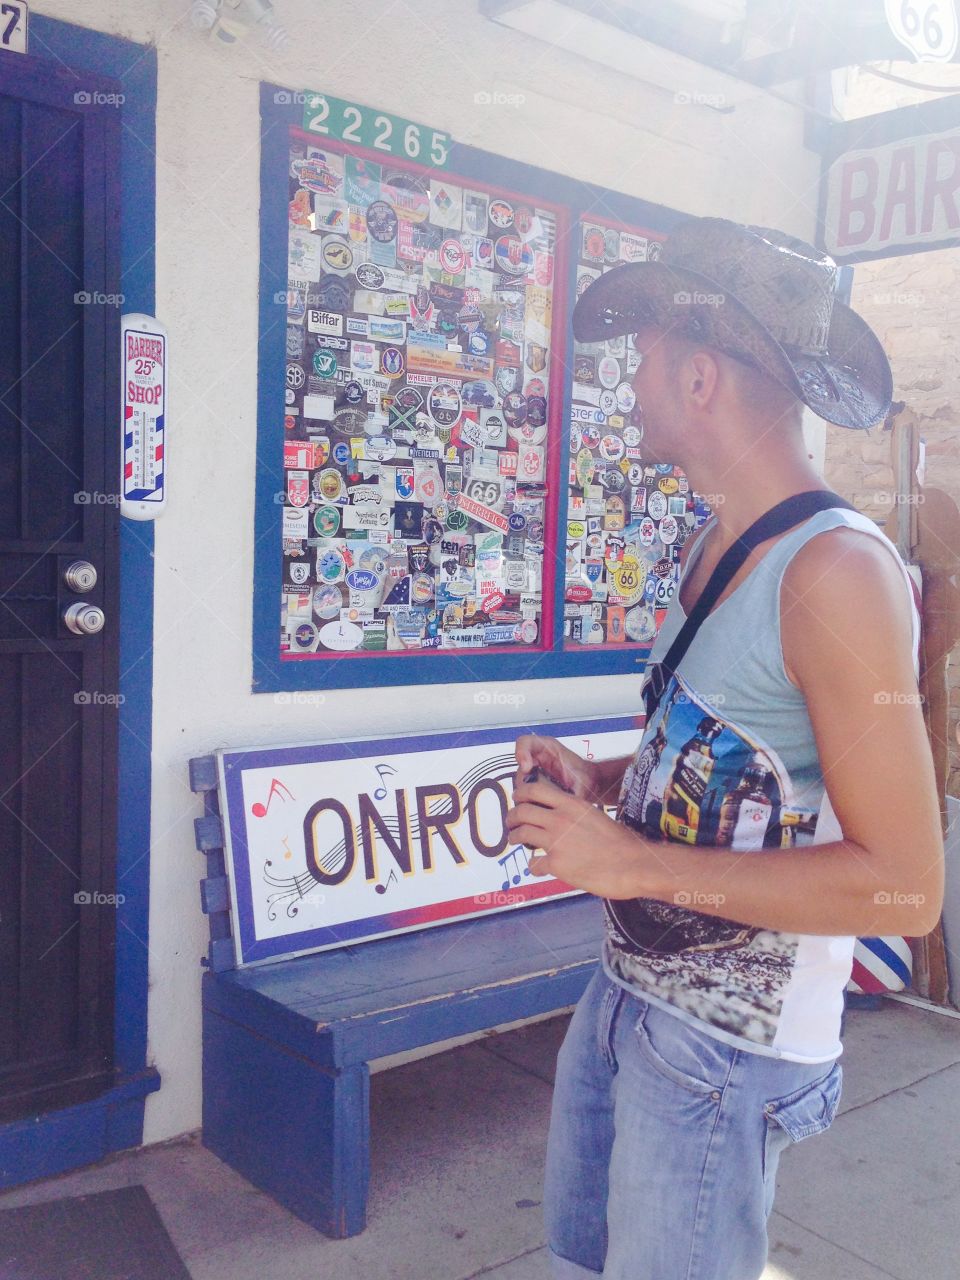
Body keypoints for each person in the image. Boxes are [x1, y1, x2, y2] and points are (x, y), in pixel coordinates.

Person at [506, 218, 944, 1280]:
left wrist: (628, 862)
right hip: (631, 997)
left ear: (700, 376)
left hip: (725, 1052)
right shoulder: (721, 540)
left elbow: (906, 890)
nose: (635, 384)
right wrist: (611, 785)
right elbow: (754, 757)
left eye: (646, 359)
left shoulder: (836, 572)